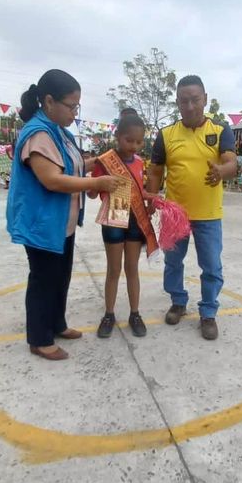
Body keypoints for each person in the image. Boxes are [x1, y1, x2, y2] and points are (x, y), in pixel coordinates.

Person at [7, 69, 119, 361]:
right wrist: (96, 183)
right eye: (71, 106)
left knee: (60, 277)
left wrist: (100, 161)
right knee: (44, 279)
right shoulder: (39, 134)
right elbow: (52, 179)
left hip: (61, 223)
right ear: (48, 101)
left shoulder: (60, 132)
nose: (74, 113)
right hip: (42, 223)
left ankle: (57, 324)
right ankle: (39, 339)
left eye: (77, 107)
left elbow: (73, 166)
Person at [146, 74, 237, 341]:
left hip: (209, 215)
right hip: (174, 215)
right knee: (173, 262)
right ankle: (178, 301)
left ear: (205, 99)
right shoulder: (166, 134)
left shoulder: (220, 130)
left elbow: (232, 163)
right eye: (183, 101)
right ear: (177, 102)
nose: (189, 106)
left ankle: (208, 313)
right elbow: (156, 170)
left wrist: (221, 171)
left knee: (211, 266)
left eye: (195, 100)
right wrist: (151, 198)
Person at [88, 111, 158, 339]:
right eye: (129, 140)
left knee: (132, 269)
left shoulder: (139, 162)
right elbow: (91, 192)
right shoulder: (105, 160)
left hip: (135, 218)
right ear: (117, 136)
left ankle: (134, 314)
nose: (134, 146)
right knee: (114, 269)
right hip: (114, 213)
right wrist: (97, 183)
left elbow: (138, 189)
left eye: (139, 142)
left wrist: (152, 198)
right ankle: (109, 314)